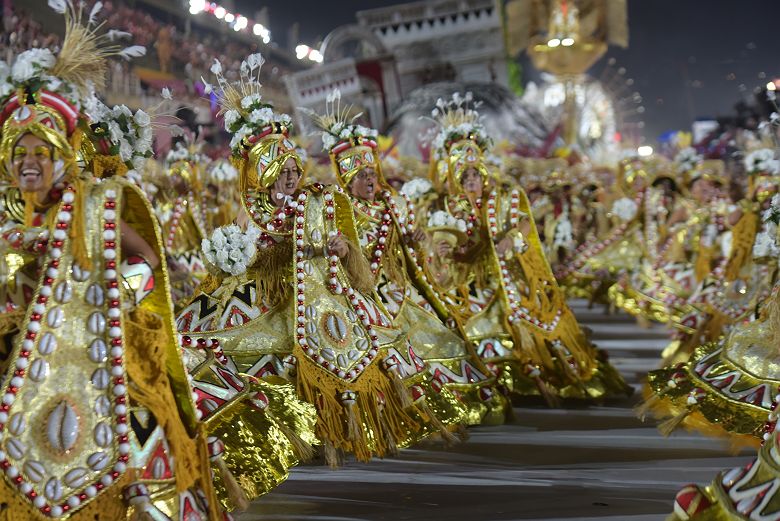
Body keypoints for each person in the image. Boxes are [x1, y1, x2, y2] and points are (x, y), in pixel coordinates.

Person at [177, 55, 456, 466]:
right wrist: (233, 259)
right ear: (261, 174)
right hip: (262, 296)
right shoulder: (248, 210)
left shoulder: (316, 200)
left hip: (311, 298)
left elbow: (340, 244)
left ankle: (338, 425)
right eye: (281, 170)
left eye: (293, 169)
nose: (290, 177)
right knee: (207, 337)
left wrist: (340, 249)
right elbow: (244, 252)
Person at [0, 3, 223, 518]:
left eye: (42, 151)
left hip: (93, 345)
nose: (29, 162)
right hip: (16, 346)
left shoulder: (94, 203)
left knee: (138, 419)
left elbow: (146, 258)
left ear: (61, 155)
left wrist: (116, 291)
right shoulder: (8, 209)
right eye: (20, 152)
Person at [423, 93, 631, 404]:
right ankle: (496, 382)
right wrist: (444, 249)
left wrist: (511, 240)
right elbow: (448, 246)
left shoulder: (505, 194)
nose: (470, 182)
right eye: (463, 176)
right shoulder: (448, 206)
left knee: (535, 323)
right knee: (478, 329)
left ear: (482, 171)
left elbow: (523, 224)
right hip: (474, 284)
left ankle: (537, 376)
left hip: (513, 276)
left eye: (473, 175)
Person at [314, 101, 507, 425]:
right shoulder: (340, 209)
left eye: (372, 174)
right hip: (367, 296)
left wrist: (419, 242)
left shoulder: (396, 203)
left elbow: (414, 255)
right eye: (361, 176)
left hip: (402, 290)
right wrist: (345, 250)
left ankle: (464, 400)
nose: (370, 181)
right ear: (348, 180)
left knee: (441, 336)